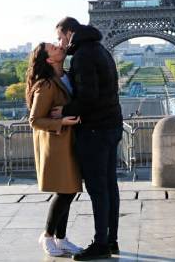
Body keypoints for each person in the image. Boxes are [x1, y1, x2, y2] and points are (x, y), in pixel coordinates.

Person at [55, 17, 124, 261]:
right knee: (109, 187)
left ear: (70, 32)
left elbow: (88, 97)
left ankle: (100, 244)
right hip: (113, 125)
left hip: (95, 130)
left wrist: (62, 111)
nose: (60, 43)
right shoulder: (101, 49)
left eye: (60, 37)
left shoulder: (83, 55)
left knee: (97, 189)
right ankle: (111, 239)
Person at [26, 42, 84, 258]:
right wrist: (64, 122)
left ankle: (61, 238)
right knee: (65, 191)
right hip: (57, 144)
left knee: (69, 190)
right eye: (54, 48)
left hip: (69, 141)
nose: (61, 47)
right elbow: (34, 120)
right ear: (49, 60)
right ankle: (48, 236)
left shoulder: (67, 77)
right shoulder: (46, 85)